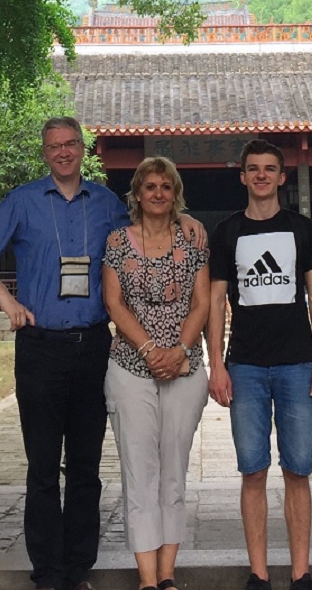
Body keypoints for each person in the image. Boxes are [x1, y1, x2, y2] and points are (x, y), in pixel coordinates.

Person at [0, 117, 205, 590]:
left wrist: (187, 218)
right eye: (54, 146)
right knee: (43, 466)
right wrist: (5, 300)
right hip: (41, 347)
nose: (64, 152)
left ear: (83, 149)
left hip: (94, 346)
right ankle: (49, 574)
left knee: (88, 467)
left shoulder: (108, 204)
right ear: (45, 152)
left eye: (71, 144)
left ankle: (78, 569)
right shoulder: (24, 201)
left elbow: (151, 223)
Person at [207, 139, 312, 590]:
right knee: (253, 470)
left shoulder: (303, 229)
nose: (261, 175)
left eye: (269, 169)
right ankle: (258, 574)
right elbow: (216, 300)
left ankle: (301, 573)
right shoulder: (226, 232)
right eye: (253, 169)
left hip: (298, 364)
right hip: (244, 365)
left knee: (298, 469)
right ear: (242, 176)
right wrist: (216, 364)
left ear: (282, 176)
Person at [101, 157, 210, 590]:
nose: (158, 193)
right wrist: (149, 350)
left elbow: (203, 303)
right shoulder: (118, 240)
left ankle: (167, 575)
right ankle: (147, 578)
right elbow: (114, 302)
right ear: (138, 193)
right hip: (131, 366)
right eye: (150, 186)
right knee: (139, 471)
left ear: (176, 192)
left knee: (173, 471)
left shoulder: (193, 238)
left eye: (166, 186)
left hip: (184, 368)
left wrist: (179, 350)